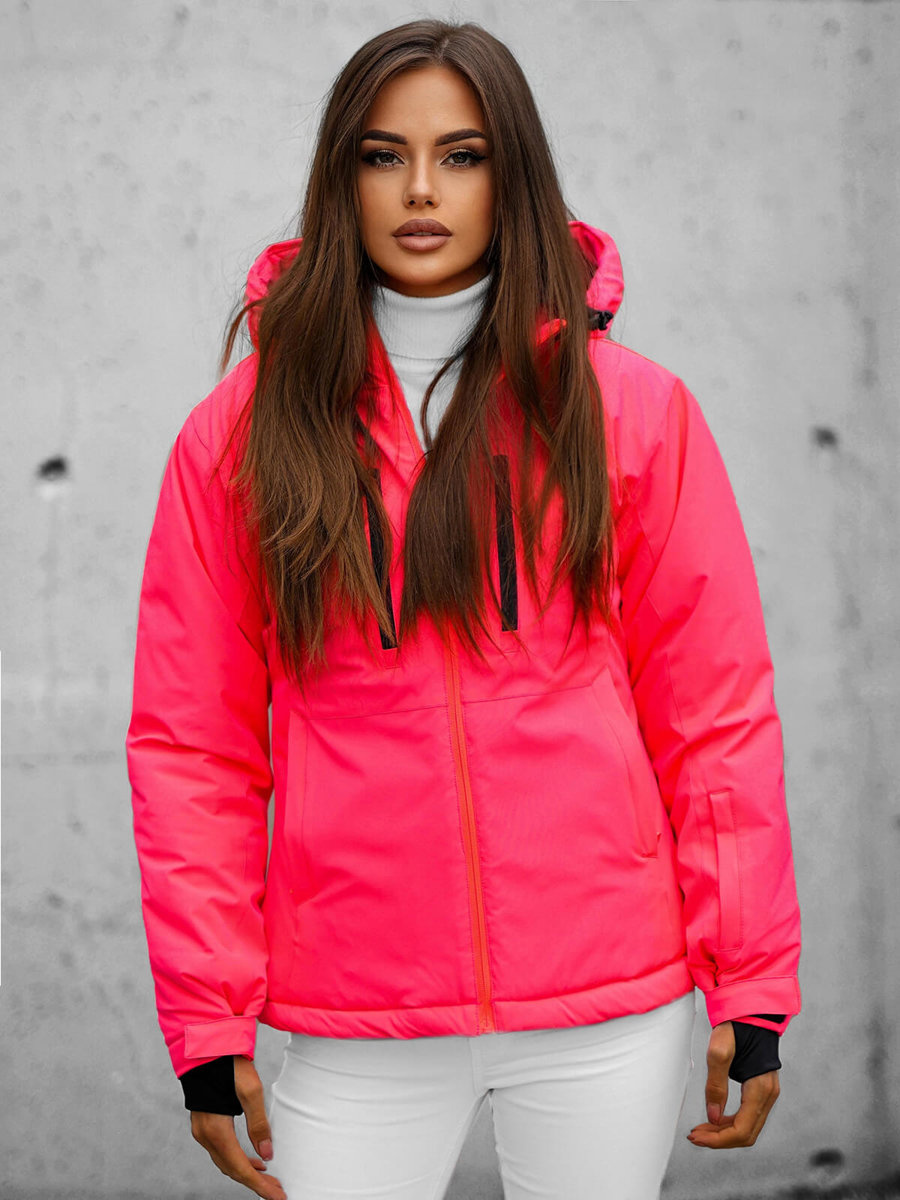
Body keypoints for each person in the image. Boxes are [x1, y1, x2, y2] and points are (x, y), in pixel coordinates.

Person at [126, 19, 801, 1200]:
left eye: (463, 154)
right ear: (341, 178)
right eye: (383, 155)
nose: (423, 190)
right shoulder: (241, 435)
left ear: (512, 172)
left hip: (606, 1001)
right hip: (357, 1005)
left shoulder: (629, 412)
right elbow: (195, 749)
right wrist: (208, 1017)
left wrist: (747, 979)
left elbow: (715, 716)